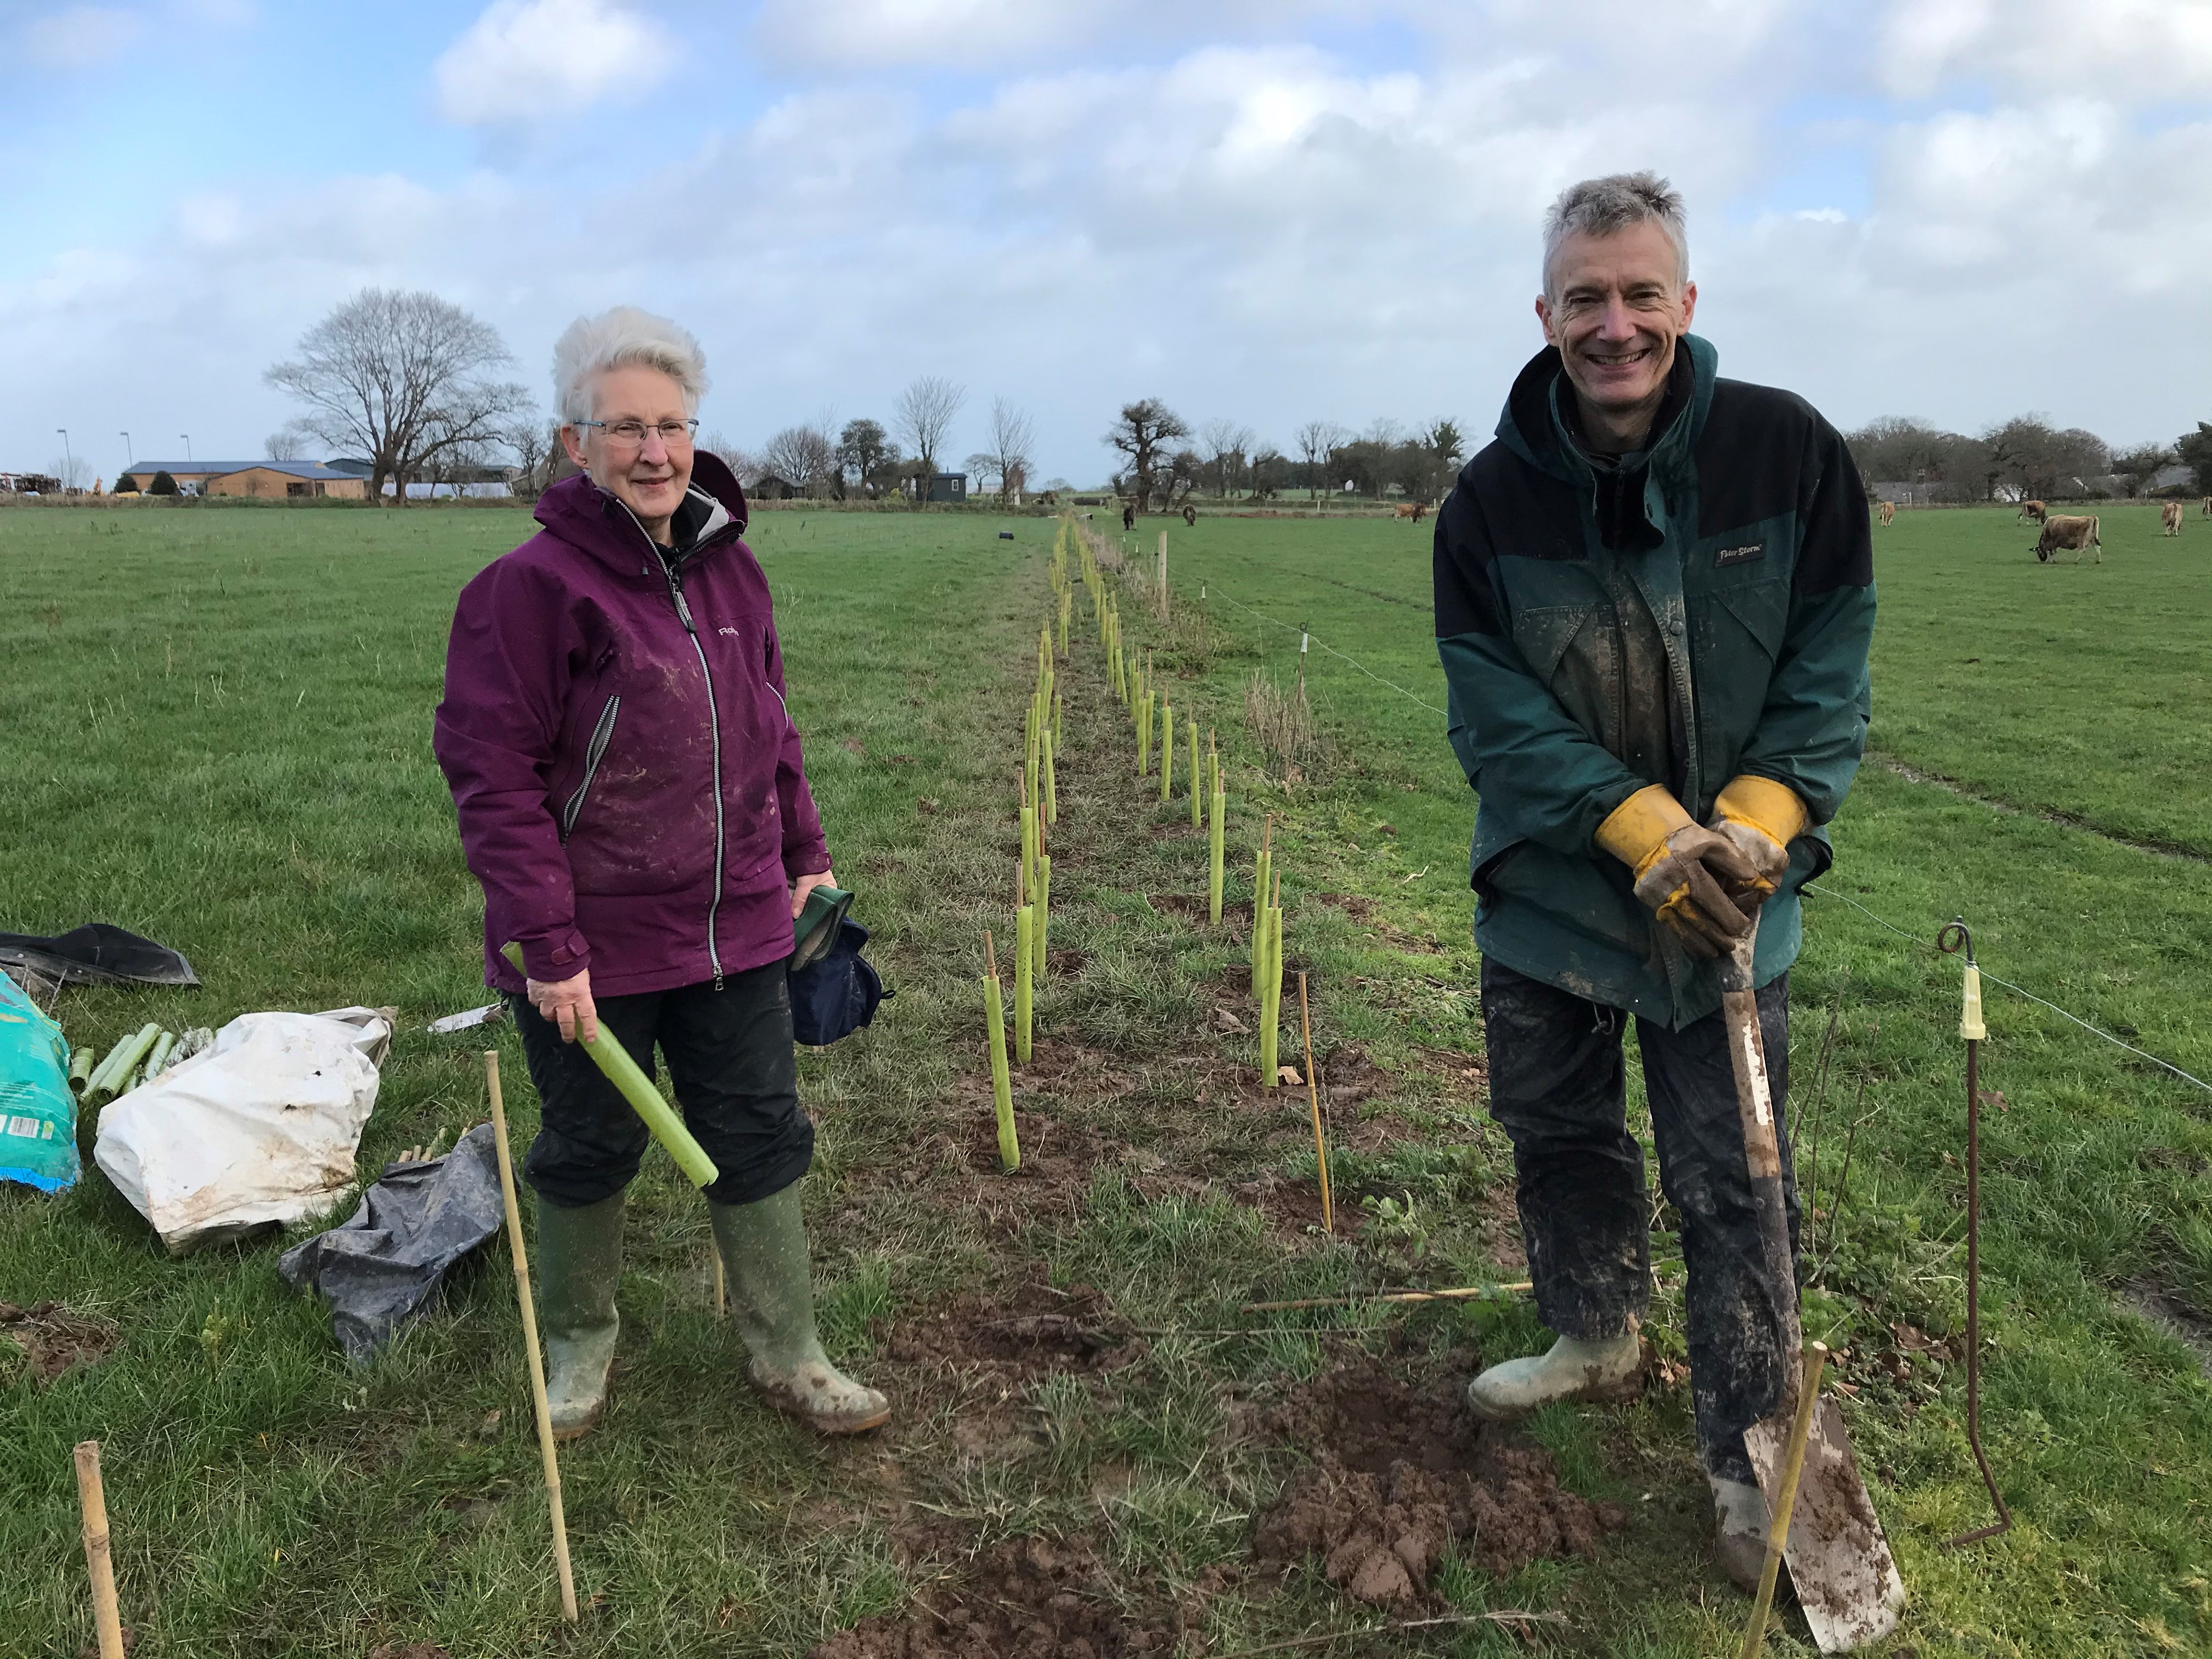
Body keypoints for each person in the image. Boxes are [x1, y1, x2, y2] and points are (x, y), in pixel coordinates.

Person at [1431, 174, 1873, 1590]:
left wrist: (1745, 831)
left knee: (1736, 1185)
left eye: (1639, 294)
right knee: (1556, 1130)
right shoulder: (1490, 503)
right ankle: (1595, 1331)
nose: (1612, 323)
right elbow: (1498, 717)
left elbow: (1831, 669)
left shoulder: (1785, 453)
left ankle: (1754, 1460)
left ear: (1686, 301)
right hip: (1559, 893)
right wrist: (1639, 833)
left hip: (1739, 899)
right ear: (1545, 314)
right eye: (1584, 298)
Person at [434, 307, 888, 1440]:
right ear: (572, 445)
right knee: (589, 1142)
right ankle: (580, 1349)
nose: (653, 451)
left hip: (735, 928)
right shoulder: (527, 591)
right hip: (593, 946)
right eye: (624, 427)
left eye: (671, 426)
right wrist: (546, 940)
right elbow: (496, 779)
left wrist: (805, 858)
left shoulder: (736, 576)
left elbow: (770, 732)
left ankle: (790, 1351)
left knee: (760, 1126)